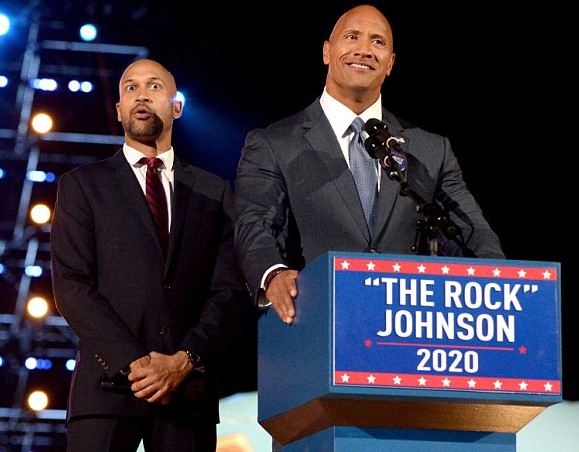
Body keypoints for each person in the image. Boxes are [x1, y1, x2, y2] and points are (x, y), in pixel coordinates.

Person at [233, 4, 505, 326]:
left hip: (407, 328)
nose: (364, 50)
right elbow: (254, 223)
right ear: (327, 51)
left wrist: (502, 287)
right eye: (352, 37)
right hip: (315, 324)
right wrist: (273, 274)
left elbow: (471, 233)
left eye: (378, 42)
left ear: (390, 63)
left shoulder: (430, 150)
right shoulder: (275, 143)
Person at [50, 58, 249, 451]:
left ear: (177, 107)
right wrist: (136, 364)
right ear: (119, 110)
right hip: (106, 391)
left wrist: (184, 360)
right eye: (131, 88)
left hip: (186, 394)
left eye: (154, 86)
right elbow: (72, 285)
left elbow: (228, 290)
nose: (141, 95)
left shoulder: (214, 191)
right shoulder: (82, 186)